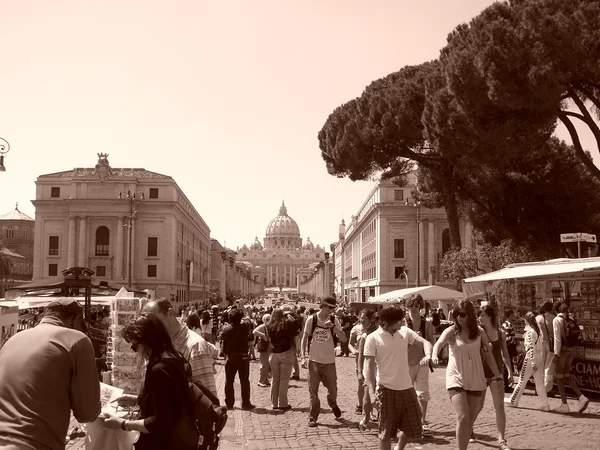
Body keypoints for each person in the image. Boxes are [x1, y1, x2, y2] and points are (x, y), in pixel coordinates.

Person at [0, 299, 101, 450]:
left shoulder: (12, 340)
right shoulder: (77, 339)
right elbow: (87, 413)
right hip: (35, 444)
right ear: (77, 320)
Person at [103, 313, 198, 450]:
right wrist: (137, 399)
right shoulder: (178, 359)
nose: (136, 351)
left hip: (160, 443)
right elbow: (171, 400)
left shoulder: (158, 370)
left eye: (135, 346)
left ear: (148, 341)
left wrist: (123, 424)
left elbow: (160, 422)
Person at [432, 300, 501, 450]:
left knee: (469, 420)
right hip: (455, 377)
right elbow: (439, 343)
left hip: (475, 377)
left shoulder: (480, 332)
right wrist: (434, 355)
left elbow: (489, 356)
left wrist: (498, 376)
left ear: (469, 314)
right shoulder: (451, 331)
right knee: (462, 417)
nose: (459, 318)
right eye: (456, 314)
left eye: (462, 314)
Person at [364, 305, 433, 450]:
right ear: (388, 322)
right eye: (399, 321)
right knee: (385, 433)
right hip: (386, 390)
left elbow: (425, 343)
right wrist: (371, 393)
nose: (402, 323)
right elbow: (369, 367)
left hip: (407, 389)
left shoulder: (405, 332)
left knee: (414, 424)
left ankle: (399, 448)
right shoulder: (372, 338)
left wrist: (428, 354)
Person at [144, 299, 219, 398]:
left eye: (154, 322)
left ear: (170, 313)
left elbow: (208, 401)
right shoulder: (162, 344)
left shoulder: (195, 347)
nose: (150, 328)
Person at [300, 297, 347, 427]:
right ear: (325, 306)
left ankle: (332, 403)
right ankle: (313, 417)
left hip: (329, 362)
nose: (333, 310)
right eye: (331, 308)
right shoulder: (312, 319)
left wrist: (334, 328)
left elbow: (343, 339)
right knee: (313, 391)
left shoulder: (334, 320)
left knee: (333, 390)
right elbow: (304, 339)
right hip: (314, 361)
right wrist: (303, 357)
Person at [478, 305, 515, 450]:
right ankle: (468, 429)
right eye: (479, 315)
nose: (480, 318)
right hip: (480, 373)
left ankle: (501, 440)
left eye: (482, 315)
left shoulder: (501, 333)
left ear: (490, 317)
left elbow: (505, 354)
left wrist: (510, 372)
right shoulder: (478, 333)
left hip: (496, 374)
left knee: (499, 407)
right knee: (478, 406)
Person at [405, 293, 436, 438]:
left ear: (421, 307)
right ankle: (407, 421)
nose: (414, 309)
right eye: (411, 306)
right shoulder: (404, 323)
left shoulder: (426, 323)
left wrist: (429, 356)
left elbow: (431, 341)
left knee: (423, 393)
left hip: (422, 362)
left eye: (416, 306)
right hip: (406, 363)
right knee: (406, 393)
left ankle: (421, 422)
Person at [506, 312, 549, 412]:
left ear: (526, 321)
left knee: (522, 381)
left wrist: (533, 362)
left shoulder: (530, 332)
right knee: (539, 383)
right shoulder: (538, 332)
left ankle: (513, 400)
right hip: (539, 357)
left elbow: (530, 348)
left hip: (531, 358)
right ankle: (545, 404)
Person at [552, 301, 589, 414]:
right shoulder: (570, 319)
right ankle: (582, 397)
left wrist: (556, 354)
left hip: (562, 351)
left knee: (558, 377)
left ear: (556, 310)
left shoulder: (557, 320)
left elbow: (557, 339)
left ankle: (564, 405)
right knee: (567, 375)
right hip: (572, 350)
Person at [266, 308, 302, 410]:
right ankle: (282, 403)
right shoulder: (286, 324)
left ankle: (274, 403)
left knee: (275, 379)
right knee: (284, 380)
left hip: (274, 354)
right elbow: (299, 320)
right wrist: (291, 312)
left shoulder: (268, 325)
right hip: (285, 352)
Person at [220, 308, 255, 409]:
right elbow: (248, 320)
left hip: (230, 357)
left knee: (229, 381)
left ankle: (229, 403)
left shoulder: (226, 329)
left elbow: (223, 338)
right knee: (244, 381)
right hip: (243, 357)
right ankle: (245, 403)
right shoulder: (245, 327)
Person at [356, 310, 377, 431]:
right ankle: (367, 417)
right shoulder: (365, 336)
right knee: (367, 396)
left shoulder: (381, 335)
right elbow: (361, 357)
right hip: (368, 368)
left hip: (380, 368)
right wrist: (359, 372)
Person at [348, 308, 371, 415]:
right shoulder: (356, 329)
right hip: (360, 360)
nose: (362, 320)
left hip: (371, 360)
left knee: (371, 383)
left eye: (365, 318)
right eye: (361, 317)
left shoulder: (373, 329)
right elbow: (350, 344)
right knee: (361, 383)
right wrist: (353, 350)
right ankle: (360, 404)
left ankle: (370, 409)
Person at [535, 301, 555, 392]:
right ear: (551, 309)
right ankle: (547, 389)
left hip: (540, 343)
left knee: (541, 366)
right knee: (549, 366)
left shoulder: (537, 318)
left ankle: (539, 387)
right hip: (550, 343)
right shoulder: (553, 318)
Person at [253, 314, 272, 387]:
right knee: (264, 365)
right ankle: (261, 381)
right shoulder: (262, 327)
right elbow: (254, 332)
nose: (268, 321)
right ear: (263, 320)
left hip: (270, 348)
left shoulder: (271, 326)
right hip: (264, 348)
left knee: (268, 365)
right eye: (266, 319)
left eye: (269, 319)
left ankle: (266, 380)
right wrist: (262, 335)